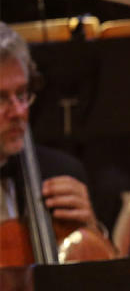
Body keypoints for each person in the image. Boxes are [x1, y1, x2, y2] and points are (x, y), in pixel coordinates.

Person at [0, 23, 100, 241]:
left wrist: (92, 233)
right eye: (1, 98)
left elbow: (103, 271)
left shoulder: (61, 173)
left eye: (22, 93)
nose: (18, 111)